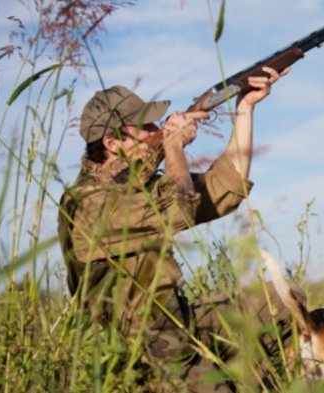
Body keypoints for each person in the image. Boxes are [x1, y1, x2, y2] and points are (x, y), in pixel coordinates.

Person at [57, 67, 304, 392]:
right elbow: (178, 207)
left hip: (177, 321)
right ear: (112, 142)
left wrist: (245, 108)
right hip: (141, 348)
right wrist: (174, 148)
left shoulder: (140, 187)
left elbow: (226, 185)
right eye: (144, 126)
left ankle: (252, 382)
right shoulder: (87, 205)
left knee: (286, 301)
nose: (156, 129)